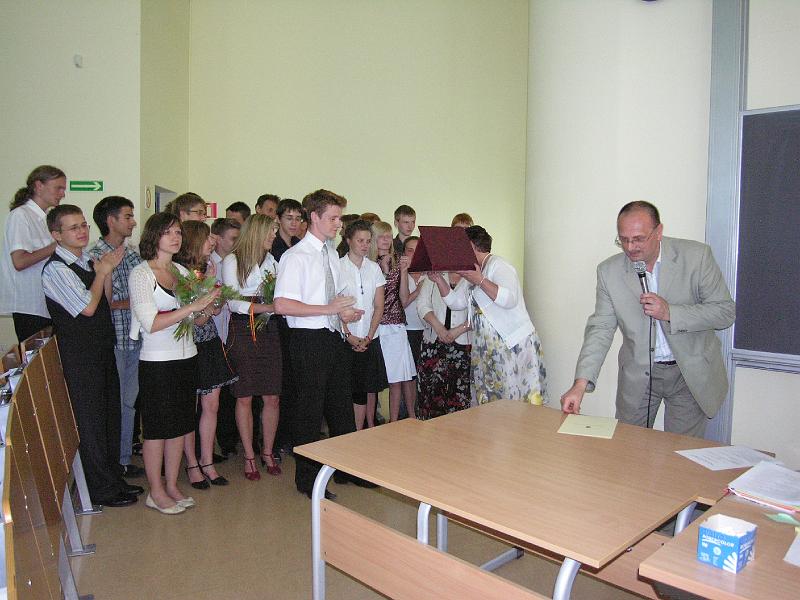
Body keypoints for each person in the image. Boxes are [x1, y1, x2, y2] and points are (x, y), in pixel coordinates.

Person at [560, 201, 735, 437]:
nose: (630, 247)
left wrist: (671, 313)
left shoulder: (697, 257)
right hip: (639, 374)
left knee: (679, 450)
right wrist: (580, 384)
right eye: (623, 240)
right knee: (628, 447)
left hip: (688, 374)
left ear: (659, 231)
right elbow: (601, 328)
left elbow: (725, 312)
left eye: (638, 239)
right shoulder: (608, 272)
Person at [274, 189, 372, 499]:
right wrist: (328, 309)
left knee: (341, 408)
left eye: (339, 218)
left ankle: (347, 470)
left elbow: (334, 297)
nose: (338, 224)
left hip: (332, 337)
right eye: (333, 218)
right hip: (308, 340)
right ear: (314, 217)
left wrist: (344, 315)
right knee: (310, 411)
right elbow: (282, 305)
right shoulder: (295, 257)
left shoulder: (330, 254)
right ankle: (307, 479)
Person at [42, 204, 141, 507]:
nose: (82, 231)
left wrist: (104, 273)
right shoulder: (56, 269)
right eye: (73, 228)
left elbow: (104, 302)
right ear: (56, 235)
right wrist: (102, 273)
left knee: (110, 415)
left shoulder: (88, 260)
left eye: (83, 225)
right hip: (80, 356)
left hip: (102, 348)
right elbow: (86, 308)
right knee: (91, 422)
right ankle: (99, 489)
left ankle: (113, 478)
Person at [129, 213, 220, 514]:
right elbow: (151, 323)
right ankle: (155, 491)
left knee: (180, 426)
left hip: (187, 357)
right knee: (157, 429)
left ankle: (171, 485)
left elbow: (196, 321)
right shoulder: (141, 274)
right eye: (168, 232)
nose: (175, 237)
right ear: (153, 236)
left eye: (178, 232)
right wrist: (193, 306)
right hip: (157, 362)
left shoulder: (180, 271)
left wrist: (207, 305)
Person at [433, 225, 548, 406]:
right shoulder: (474, 270)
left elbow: (509, 299)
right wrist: (438, 279)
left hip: (511, 344)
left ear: (471, 246)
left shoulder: (498, 265)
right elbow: (456, 303)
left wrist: (480, 280)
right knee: (492, 402)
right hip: (487, 347)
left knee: (514, 402)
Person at [175, 221, 237, 487]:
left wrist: (214, 297)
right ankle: (192, 463)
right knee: (189, 409)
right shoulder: (178, 274)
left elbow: (214, 308)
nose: (211, 242)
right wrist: (210, 302)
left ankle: (207, 460)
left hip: (209, 341)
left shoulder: (206, 269)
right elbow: (196, 318)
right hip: (188, 345)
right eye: (206, 238)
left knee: (212, 405)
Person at [221, 215, 283, 480]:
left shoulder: (272, 261)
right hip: (243, 330)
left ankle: (267, 451)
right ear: (256, 232)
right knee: (244, 396)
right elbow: (233, 302)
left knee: (272, 396)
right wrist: (266, 306)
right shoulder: (232, 261)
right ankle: (248, 454)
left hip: (268, 329)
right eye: (270, 232)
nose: (273, 236)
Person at [89, 196, 143, 478]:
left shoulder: (132, 253)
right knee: (116, 402)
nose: (133, 222)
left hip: (136, 338)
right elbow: (100, 302)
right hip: (115, 340)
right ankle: (114, 461)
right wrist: (135, 302)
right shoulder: (95, 256)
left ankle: (123, 458)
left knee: (129, 403)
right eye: (128, 216)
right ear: (111, 221)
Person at [0, 165, 65, 343]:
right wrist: (57, 245)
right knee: (36, 358)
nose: (62, 194)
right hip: (29, 306)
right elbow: (19, 261)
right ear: (38, 186)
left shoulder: (45, 218)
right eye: (58, 188)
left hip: (47, 303)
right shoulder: (20, 215)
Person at [339, 220, 388, 429]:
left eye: (368, 241)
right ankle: (344, 433)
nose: (365, 245)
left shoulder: (374, 268)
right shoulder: (338, 267)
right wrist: (348, 334)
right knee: (344, 390)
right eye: (360, 240)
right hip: (344, 339)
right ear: (348, 240)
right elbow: (334, 304)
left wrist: (368, 336)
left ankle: (358, 433)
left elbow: (379, 306)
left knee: (363, 390)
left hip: (369, 338)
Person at [370, 221, 417, 421]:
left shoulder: (398, 260)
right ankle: (370, 422)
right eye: (381, 236)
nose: (386, 240)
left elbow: (404, 298)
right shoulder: (367, 262)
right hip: (373, 325)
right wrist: (382, 269)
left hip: (395, 324)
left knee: (397, 378)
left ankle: (395, 421)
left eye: (389, 236)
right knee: (372, 380)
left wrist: (404, 271)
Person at [416, 269, 472, 419]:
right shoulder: (435, 274)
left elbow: (480, 311)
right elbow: (422, 304)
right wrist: (439, 327)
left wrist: (458, 330)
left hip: (463, 344)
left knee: (460, 398)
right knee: (430, 395)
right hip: (433, 342)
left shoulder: (472, 277)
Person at [209, 217, 241, 457]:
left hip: (233, 332)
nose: (236, 243)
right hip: (213, 332)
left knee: (232, 390)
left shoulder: (238, 263)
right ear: (218, 239)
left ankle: (229, 440)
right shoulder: (208, 264)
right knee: (213, 396)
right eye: (232, 239)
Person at [402, 236, 426, 371]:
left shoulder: (430, 275)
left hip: (427, 330)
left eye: (417, 250)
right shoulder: (400, 275)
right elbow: (403, 303)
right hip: (406, 330)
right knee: (408, 374)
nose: (414, 254)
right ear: (404, 253)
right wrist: (417, 291)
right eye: (410, 250)